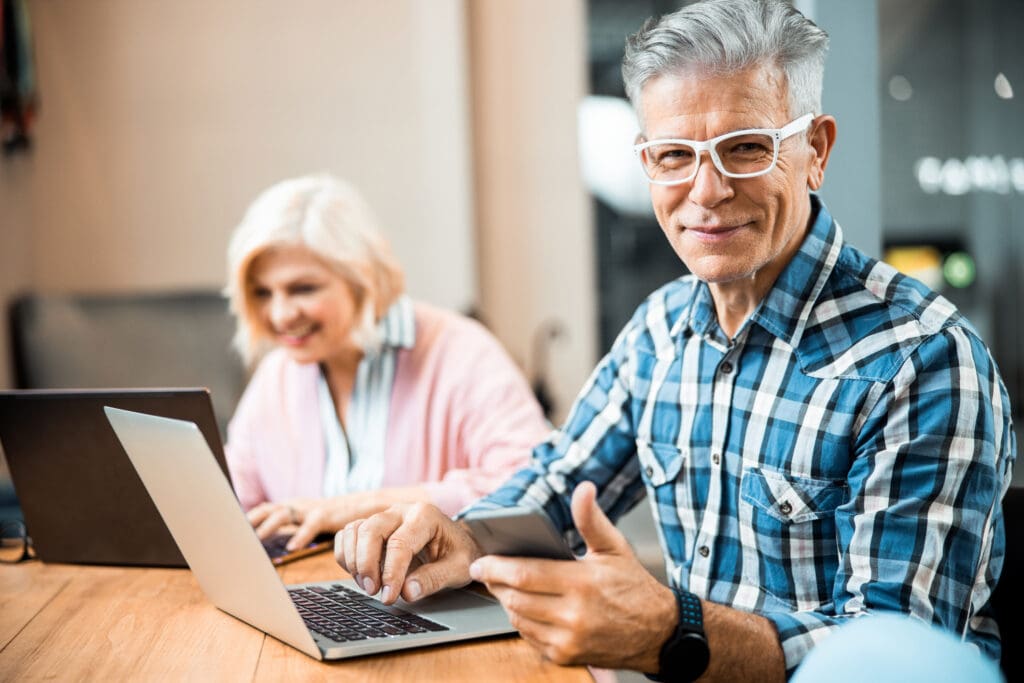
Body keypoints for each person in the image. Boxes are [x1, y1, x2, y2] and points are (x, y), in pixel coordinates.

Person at [335, 1, 1016, 680]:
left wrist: (671, 629)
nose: (708, 190)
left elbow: (890, 657)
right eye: (674, 156)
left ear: (815, 151)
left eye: (745, 147)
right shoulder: (659, 330)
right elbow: (554, 484)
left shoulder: (924, 361)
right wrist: (460, 531)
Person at [223, 174, 550, 553]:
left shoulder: (462, 351)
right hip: (318, 599)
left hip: (435, 599)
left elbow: (531, 489)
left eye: (303, 288)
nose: (280, 314)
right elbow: (232, 500)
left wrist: (353, 507)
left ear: (363, 278)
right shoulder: (276, 376)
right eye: (263, 293)